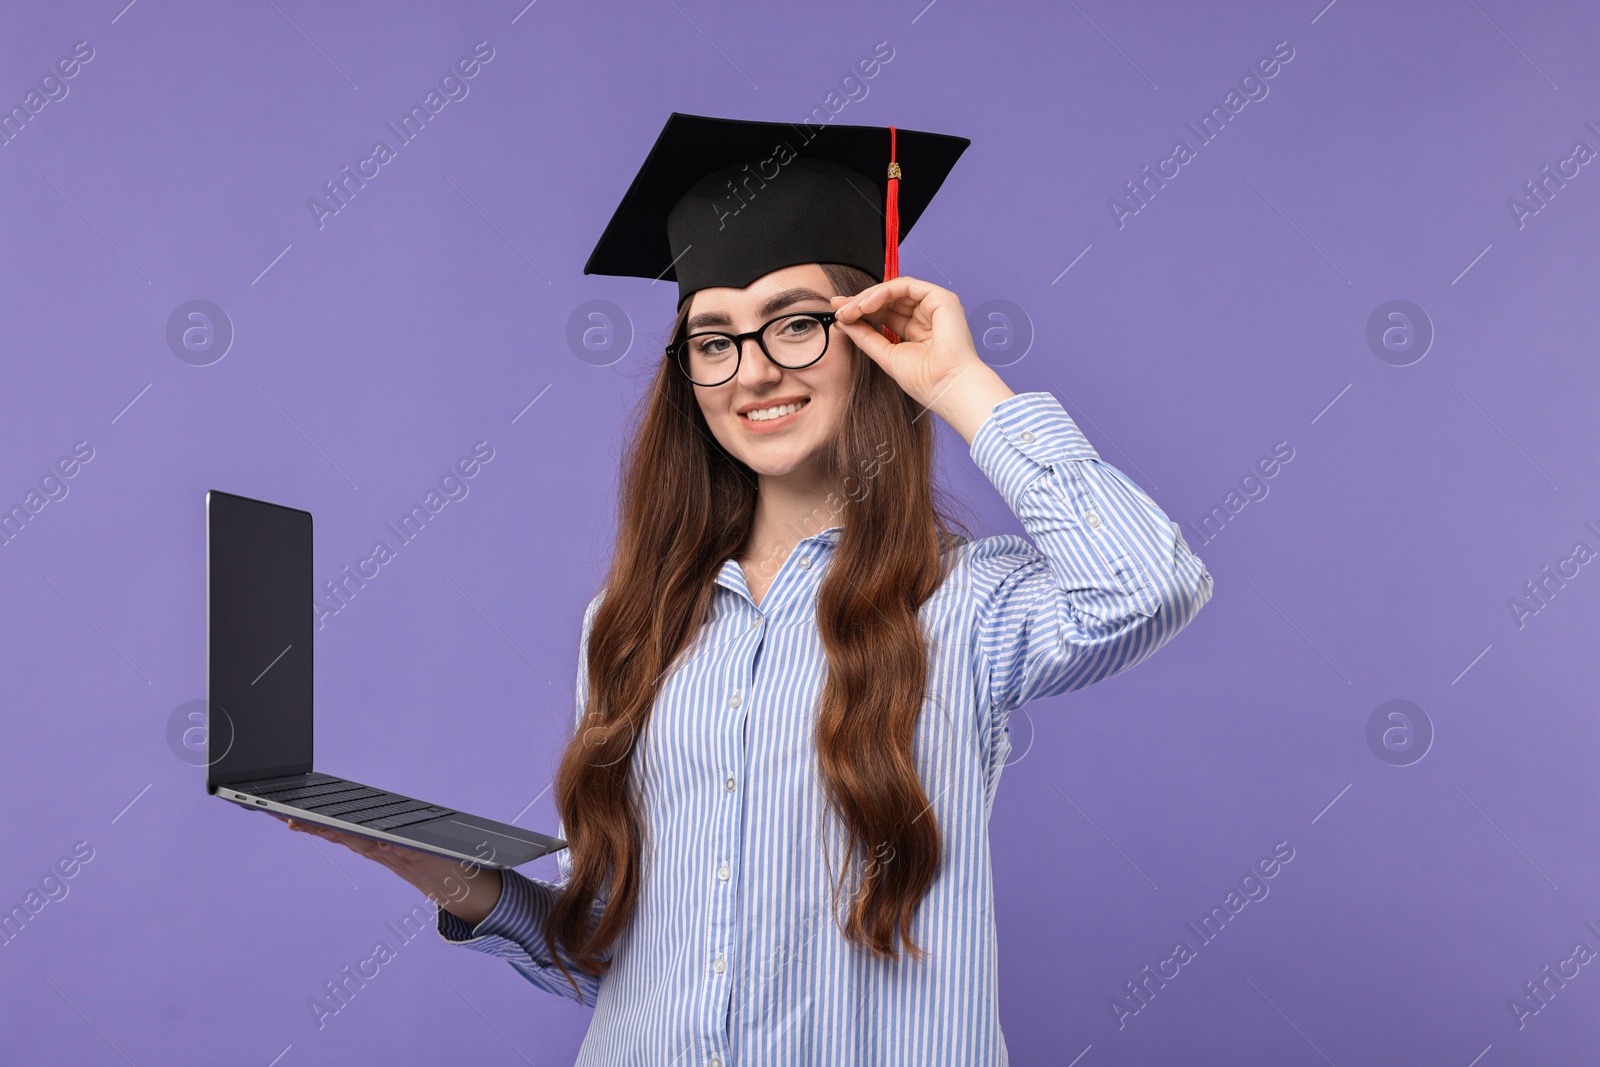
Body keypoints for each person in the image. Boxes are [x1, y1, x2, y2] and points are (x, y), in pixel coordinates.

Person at [275, 112, 1214, 1065]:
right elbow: (619, 960)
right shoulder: (630, 625)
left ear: (870, 335)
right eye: (713, 338)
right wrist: (432, 866)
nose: (753, 369)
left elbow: (1149, 583)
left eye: (797, 324)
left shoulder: (960, 602)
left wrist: (961, 381)